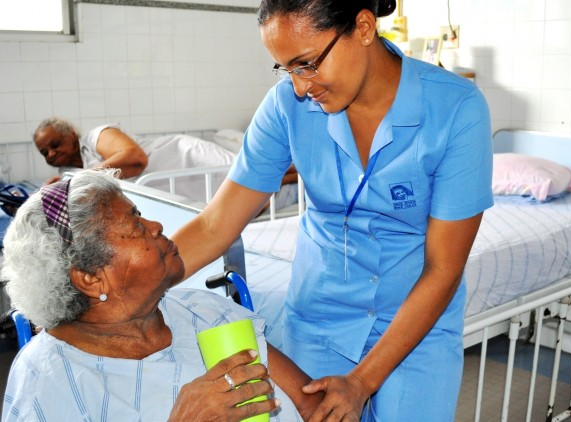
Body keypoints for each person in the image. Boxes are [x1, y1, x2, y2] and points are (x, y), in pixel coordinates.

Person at [171, 0, 493, 420]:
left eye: (306, 63)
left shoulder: (455, 109)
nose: (301, 87)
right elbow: (216, 224)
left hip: (415, 328)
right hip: (320, 321)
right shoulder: (287, 105)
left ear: (362, 27)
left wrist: (362, 382)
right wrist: (134, 285)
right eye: (286, 69)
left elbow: (443, 268)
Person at [0, 169, 322, 421]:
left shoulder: (205, 312)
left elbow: (314, 407)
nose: (155, 225)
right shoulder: (48, 381)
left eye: (141, 214)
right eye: (135, 225)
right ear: (91, 278)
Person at [32, 117, 299, 210]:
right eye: (45, 152)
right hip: (178, 186)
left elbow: (135, 160)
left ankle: (306, 169)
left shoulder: (96, 137)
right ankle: (303, 174)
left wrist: (76, 181)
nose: (52, 155)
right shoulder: (71, 173)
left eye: (55, 145)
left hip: (184, 156)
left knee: (246, 172)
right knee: (241, 190)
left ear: (70, 136)